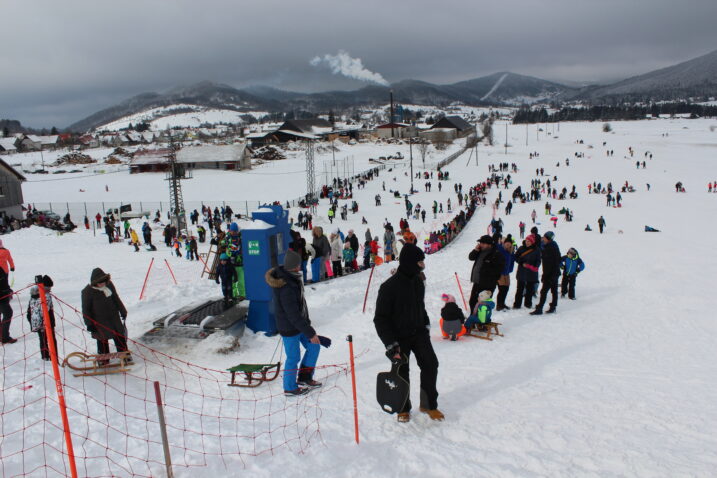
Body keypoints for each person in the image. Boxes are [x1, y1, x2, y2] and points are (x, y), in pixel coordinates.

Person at [374, 243, 443, 423]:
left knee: (430, 364)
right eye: (420, 262)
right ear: (410, 262)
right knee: (402, 372)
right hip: (398, 339)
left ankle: (429, 405)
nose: (423, 265)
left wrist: (425, 323)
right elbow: (380, 319)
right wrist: (391, 344)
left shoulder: (418, 282)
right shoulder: (388, 287)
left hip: (419, 333)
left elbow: (420, 306)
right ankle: (403, 408)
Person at [265, 250, 322, 397]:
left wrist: (307, 325)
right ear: (295, 266)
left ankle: (305, 377)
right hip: (289, 328)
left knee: (314, 345)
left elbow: (300, 307)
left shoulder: (292, 277)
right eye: (298, 264)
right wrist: (310, 332)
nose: (300, 267)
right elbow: (293, 314)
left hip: (299, 324)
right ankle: (290, 388)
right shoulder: (286, 287)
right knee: (293, 357)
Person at [81, 268, 130, 361]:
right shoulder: (87, 292)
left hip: (114, 317)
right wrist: (89, 324)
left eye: (104, 281)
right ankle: (103, 360)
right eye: (100, 282)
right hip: (99, 321)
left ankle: (125, 357)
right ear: (95, 282)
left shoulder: (109, 285)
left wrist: (123, 310)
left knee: (120, 337)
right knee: (102, 340)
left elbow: (116, 298)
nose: (103, 284)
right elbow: (86, 310)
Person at [467, 235, 505, 313]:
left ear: (489, 244)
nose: (481, 244)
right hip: (477, 282)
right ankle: (473, 318)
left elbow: (499, 269)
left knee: (483, 305)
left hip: (487, 284)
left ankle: (482, 321)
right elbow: (471, 257)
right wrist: (475, 250)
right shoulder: (479, 251)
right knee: (472, 302)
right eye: (480, 243)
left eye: (483, 243)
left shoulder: (496, 254)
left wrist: (491, 279)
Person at [26, 276, 57, 361]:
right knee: (52, 342)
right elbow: (46, 310)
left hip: (37, 323)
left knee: (43, 341)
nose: (50, 290)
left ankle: (45, 358)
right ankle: (55, 360)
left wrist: (33, 322)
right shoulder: (46, 296)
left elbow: (29, 312)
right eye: (49, 288)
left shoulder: (33, 296)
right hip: (47, 323)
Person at [531, 231, 561, 315]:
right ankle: (553, 307)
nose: (543, 239)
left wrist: (547, 276)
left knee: (544, 291)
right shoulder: (551, 245)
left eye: (544, 237)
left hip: (551, 274)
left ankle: (540, 308)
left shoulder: (551, 248)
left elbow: (553, 263)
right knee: (553, 291)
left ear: (548, 238)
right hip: (554, 273)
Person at [512, 234, 541, 309]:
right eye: (526, 241)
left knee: (530, 289)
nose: (527, 242)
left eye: (529, 241)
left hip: (531, 272)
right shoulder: (521, 248)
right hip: (522, 271)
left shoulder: (536, 249)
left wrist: (535, 266)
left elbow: (538, 260)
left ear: (532, 242)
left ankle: (528, 304)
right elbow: (516, 257)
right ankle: (517, 304)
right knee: (520, 289)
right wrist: (521, 263)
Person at [496, 237, 515, 311]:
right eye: (506, 243)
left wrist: (510, 270)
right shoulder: (501, 249)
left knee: (506, 289)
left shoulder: (511, 252)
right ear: (504, 243)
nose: (508, 244)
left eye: (509, 243)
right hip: (500, 273)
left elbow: (512, 261)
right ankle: (499, 305)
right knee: (502, 290)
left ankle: (502, 303)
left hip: (507, 273)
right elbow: (496, 245)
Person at [0, 266, 15, 344]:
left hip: (3, 297)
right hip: (2, 299)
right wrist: (5, 291)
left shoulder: (1, 269)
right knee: (8, 313)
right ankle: (4, 337)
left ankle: (2, 336)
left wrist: (8, 289)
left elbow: (4, 282)